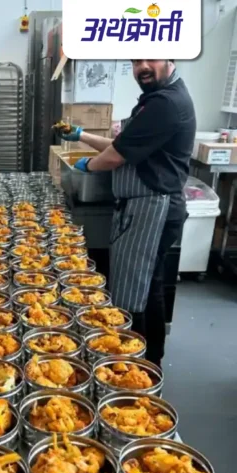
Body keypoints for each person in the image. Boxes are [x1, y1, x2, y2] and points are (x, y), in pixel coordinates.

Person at [57, 59, 195, 366]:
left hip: (153, 209)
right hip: (144, 206)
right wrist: (81, 135)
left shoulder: (166, 104)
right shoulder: (157, 99)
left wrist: (86, 166)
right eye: (135, 61)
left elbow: (116, 156)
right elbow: (122, 144)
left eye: (151, 59)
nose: (142, 67)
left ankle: (137, 364)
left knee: (138, 293)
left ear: (170, 59)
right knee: (148, 287)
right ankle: (147, 358)